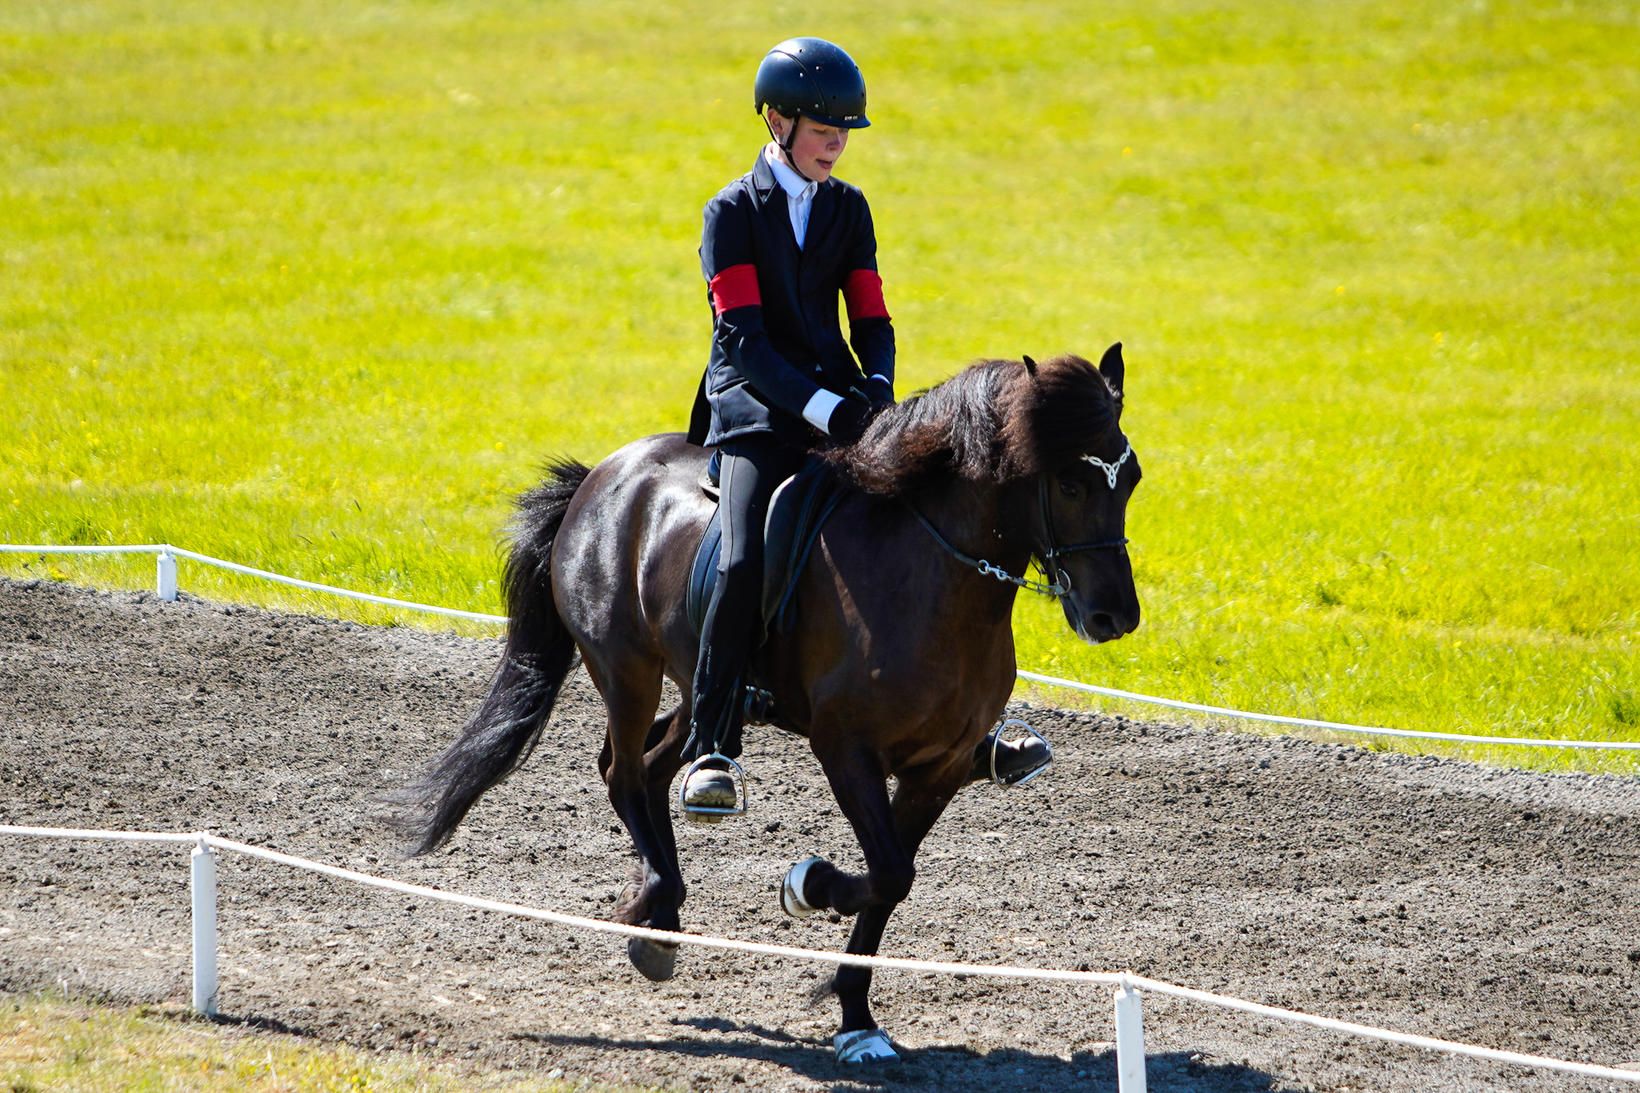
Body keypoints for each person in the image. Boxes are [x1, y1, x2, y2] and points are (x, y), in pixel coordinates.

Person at [680, 37, 1049, 818]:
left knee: (914, 527)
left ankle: (960, 723)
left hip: (845, 401)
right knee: (746, 552)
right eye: (823, 130)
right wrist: (826, 409)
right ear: (777, 121)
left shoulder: (849, 208)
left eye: (845, 132)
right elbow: (743, 340)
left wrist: (877, 389)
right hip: (753, 410)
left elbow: (872, 316)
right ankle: (712, 740)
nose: (836, 144)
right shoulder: (730, 214)